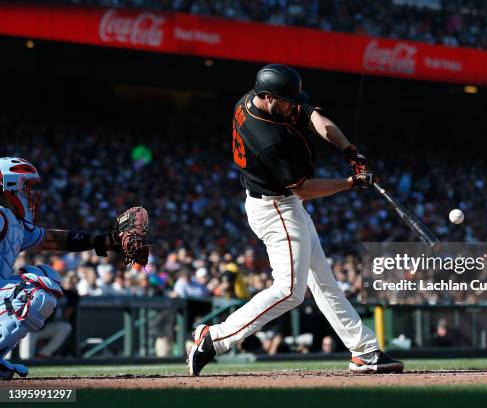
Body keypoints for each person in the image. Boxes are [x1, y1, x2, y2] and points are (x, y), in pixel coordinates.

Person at [188, 64, 403, 375]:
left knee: (324, 282)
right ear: (267, 97)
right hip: (276, 207)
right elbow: (303, 189)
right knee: (290, 291)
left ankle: (364, 352)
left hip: (281, 203)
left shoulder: (255, 98)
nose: (293, 105)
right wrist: (350, 183)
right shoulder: (267, 137)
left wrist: (348, 149)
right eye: (286, 100)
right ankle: (215, 338)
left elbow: (312, 115)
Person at [0, 157, 148, 378]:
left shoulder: (12, 221)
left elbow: (51, 239)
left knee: (46, 279)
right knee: (37, 291)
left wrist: (102, 241)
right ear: (9, 184)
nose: (31, 192)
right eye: (27, 185)